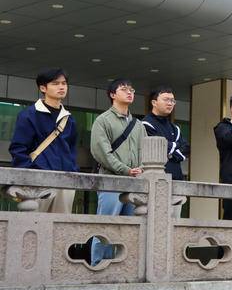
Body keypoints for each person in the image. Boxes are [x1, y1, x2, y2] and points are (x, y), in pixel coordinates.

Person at [90, 78, 145, 265]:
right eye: (124, 89)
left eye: (132, 90)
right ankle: (98, 265)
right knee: (106, 225)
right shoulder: (102, 120)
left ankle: (122, 267)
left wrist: (140, 169)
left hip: (134, 183)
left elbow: (145, 152)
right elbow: (102, 153)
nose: (130, 92)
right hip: (110, 181)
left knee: (129, 229)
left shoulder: (138, 125)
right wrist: (126, 170)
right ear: (112, 94)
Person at [9, 68, 78, 213]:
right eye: (55, 83)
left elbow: (71, 150)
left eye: (64, 83)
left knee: (61, 225)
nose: (61, 87)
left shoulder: (69, 119)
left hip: (65, 181)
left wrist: (72, 170)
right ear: (43, 88)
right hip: (38, 182)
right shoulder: (29, 115)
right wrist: (32, 174)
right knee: (32, 224)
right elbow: (18, 148)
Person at [141, 86, 189, 181]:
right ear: (154, 102)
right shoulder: (145, 124)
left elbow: (186, 148)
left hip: (177, 178)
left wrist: (169, 152)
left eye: (172, 101)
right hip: (156, 180)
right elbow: (158, 148)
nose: (170, 103)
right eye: (166, 100)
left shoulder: (175, 128)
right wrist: (176, 146)